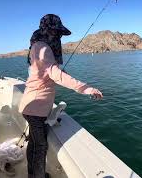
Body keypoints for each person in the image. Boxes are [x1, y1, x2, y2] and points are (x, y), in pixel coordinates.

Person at [19, 14, 103, 178]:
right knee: (40, 146)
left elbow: (49, 72)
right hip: (35, 110)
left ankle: (35, 174)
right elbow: (56, 74)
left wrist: (60, 73)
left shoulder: (38, 46)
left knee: (35, 145)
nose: (58, 36)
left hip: (36, 108)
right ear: (48, 31)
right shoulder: (42, 48)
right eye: (56, 32)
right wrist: (86, 88)